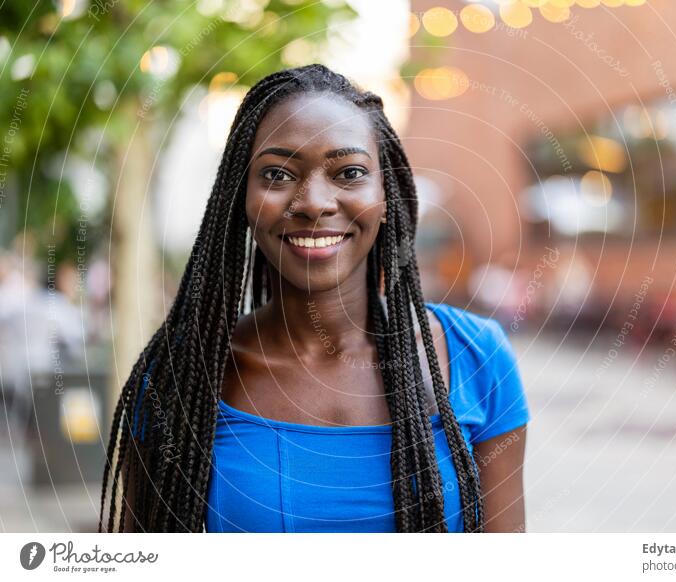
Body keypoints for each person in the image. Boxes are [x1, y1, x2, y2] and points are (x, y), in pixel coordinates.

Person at [99, 64, 530, 533]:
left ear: (385, 195)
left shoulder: (475, 356)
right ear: (240, 198)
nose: (313, 202)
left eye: (349, 172)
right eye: (278, 174)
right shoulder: (182, 375)